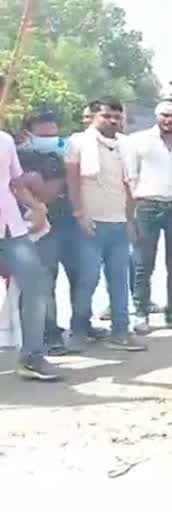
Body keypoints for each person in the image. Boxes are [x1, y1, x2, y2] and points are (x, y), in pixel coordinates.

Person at [16, 110, 110, 355]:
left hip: (71, 220)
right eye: (42, 132)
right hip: (40, 225)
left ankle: (81, 324)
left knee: (83, 276)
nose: (49, 137)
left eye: (53, 131)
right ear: (29, 132)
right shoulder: (20, 156)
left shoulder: (68, 150)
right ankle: (51, 335)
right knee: (45, 281)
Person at [64, 97, 145, 352]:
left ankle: (120, 332)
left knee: (119, 280)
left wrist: (131, 220)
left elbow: (129, 186)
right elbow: (72, 181)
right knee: (87, 280)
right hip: (90, 223)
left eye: (117, 117)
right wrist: (79, 214)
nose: (112, 121)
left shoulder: (126, 146)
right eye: (107, 116)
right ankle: (78, 331)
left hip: (119, 223)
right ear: (94, 116)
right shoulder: (78, 142)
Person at [127, 100, 172, 333]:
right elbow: (130, 176)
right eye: (165, 115)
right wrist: (131, 210)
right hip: (147, 207)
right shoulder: (138, 141)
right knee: (143, 264)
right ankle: (141, 314)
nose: (169, 120)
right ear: (158, 116)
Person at [0, 130, 58, 379]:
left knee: (36, 284)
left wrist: (38, 207)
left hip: (11, 227)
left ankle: (32, 357)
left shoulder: (4, 140)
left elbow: (15, 182)